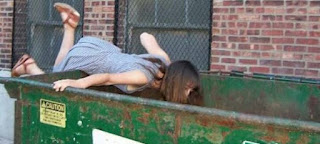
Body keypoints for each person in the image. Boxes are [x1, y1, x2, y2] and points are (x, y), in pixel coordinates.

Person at [11, 3, 203, 105]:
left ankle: (31, 63)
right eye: (189, 89)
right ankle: (65, 32)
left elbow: (146, 36)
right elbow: (108, 78)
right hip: (92, 58)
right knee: (58, 73)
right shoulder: (143, 76)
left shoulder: (163, 61)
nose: (190, 93)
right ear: (179, 82)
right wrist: (79, 83)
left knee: (60, 67)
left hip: (102, 48)